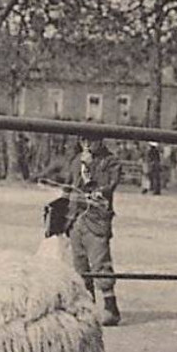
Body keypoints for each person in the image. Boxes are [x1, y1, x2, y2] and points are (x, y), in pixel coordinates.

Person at [67, 136, 123, 326]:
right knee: (79, 266)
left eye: (92, 139)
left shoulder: (110, 161)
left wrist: (90, 170)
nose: (88, 144)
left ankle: (110, 307)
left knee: (100, 263)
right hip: (76, 219)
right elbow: (70, 186)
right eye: (83, 140)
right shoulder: (76, 161)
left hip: (97, 220)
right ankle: (88, 307)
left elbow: (108, 186)